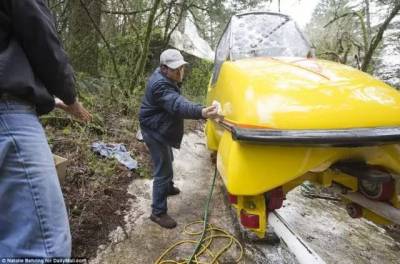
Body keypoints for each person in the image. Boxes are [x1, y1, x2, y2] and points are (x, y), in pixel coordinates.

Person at [0, 0, 91, 258]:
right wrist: (70, 97)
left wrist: (53, 101)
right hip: (8, 116)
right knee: (44, 247)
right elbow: (40, 35)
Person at [139, 49, 220, 229]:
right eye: (175, 69)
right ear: (164, 68)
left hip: (158, 125)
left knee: (169, 159)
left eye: (181, 68)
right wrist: (202, 111)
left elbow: (176, 100)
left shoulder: (165, 77)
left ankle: (167, 188)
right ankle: (158, 212)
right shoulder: (160, 85)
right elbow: (176, 104)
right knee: (163, 169)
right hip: (154, 130)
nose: (179, 72)